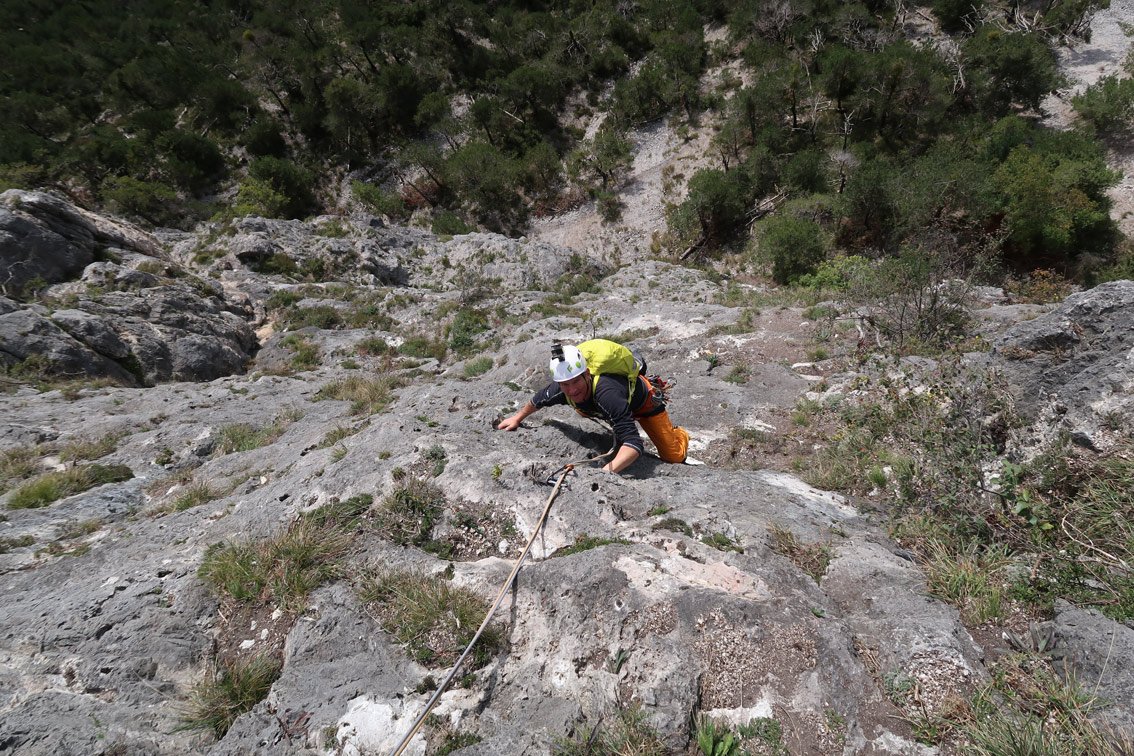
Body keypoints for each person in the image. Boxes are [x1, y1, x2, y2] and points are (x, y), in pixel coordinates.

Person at [496, 341, 689, 473]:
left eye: (575, 381)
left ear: (587, 374)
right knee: (581, 407)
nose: (571, 390)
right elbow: (537, 400)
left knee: (674, 456)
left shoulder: (607, 394)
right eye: (565, 384)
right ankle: (614, 414)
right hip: (613, 405)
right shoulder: (560, 389)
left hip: (643, 403)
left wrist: (604, 473)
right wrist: (517, 418)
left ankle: (679, 434)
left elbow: (634, 444)